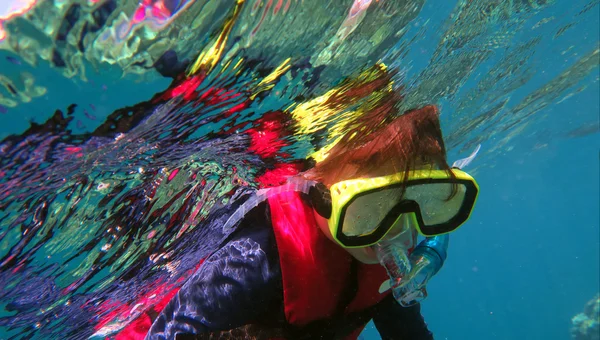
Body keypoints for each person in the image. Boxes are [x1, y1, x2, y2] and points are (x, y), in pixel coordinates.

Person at [142, 104, 479, 340]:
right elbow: (171, 331)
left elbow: (406, 333)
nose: (397, 230)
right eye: (372, 208)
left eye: (416, 207)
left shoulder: (383, 270)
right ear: (319, 194)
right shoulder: (259, 255)